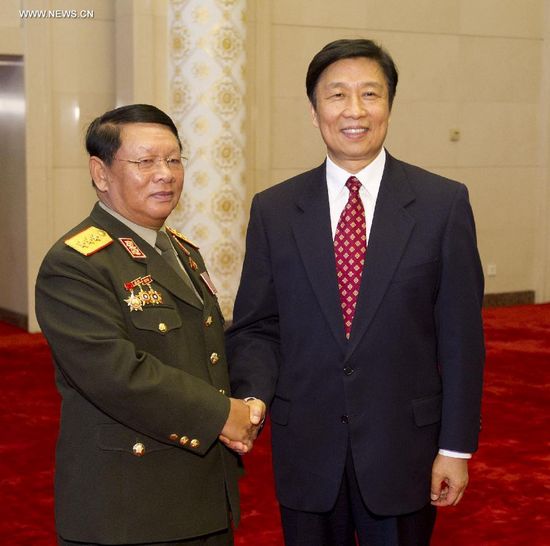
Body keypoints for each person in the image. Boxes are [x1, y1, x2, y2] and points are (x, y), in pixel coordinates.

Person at [225, 39, 485, 545]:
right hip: (306, 447)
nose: (354, 110)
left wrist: (456, 447)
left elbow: (461, 339)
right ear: (314, 109)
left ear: (389, 104)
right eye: (337, 95)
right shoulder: (275, 210)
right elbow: (258, 325)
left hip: (404, 450)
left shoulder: (441, 204)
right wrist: (253, 396)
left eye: (370, 94)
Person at [35, 104, 263, 546]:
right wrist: (222, 415)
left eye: (174, 159)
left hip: (201, 495)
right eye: (145, 162)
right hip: (129, 510)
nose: (165, 174)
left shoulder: (181, 251)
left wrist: (250, 399)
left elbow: (207, 354)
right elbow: (117, 374)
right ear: (100, 173)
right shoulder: (75, 263)